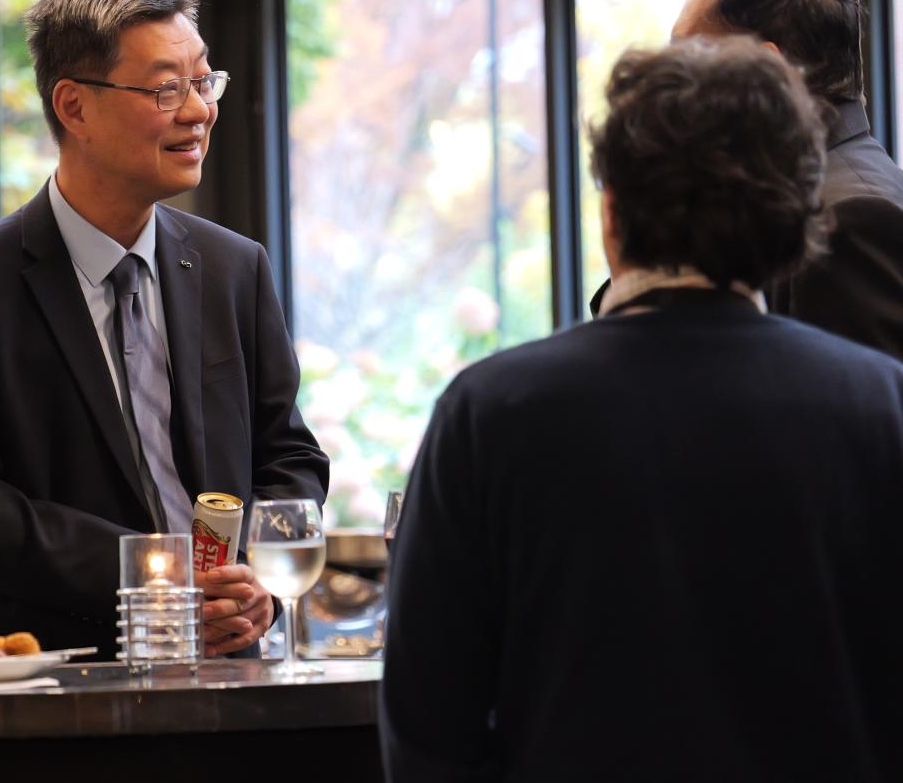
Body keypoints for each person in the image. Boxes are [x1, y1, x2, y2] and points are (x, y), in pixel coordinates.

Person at [381, 38, 903, 782]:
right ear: (794, 220)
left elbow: (429, 728)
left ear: (611, 211)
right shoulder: (882, 406)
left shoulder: (491, 414)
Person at [0, 0, 329, 657]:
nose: (198, 110)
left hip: (228, 669)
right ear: (74, 107)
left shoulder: (233, 268)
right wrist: (148, 575)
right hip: (54, 676)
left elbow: (289, 453)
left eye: (204, 81)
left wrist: (258, 580)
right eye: (165, 89)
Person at [596, 0, 903, 359]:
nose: (668, 78)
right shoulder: (799, 191)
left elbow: (856, 413)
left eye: (686, 55)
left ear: (770, 70)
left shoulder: (848, 215)